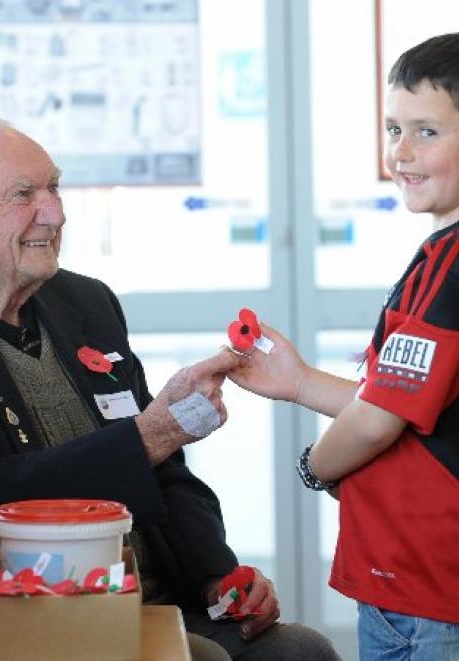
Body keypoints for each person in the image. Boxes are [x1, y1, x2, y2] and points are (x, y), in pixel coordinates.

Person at [0, 115, 340, 661]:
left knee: (301, 652)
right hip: (22, 616)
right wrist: (146, 436)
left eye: (55, 187)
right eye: (24, 194)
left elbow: (166, 474)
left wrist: (217, 577)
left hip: (154, 600)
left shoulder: (85, 303)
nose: (56, 212)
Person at [227, 33, 459, 660]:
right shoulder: (439, 253)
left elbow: (379, 422)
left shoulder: (454, 265)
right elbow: (403, 404)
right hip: (414, 584)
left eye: (426, 132)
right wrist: (300, 382)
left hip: (430, 593)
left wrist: (314, 466)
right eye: (392, 129)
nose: (400, 152)